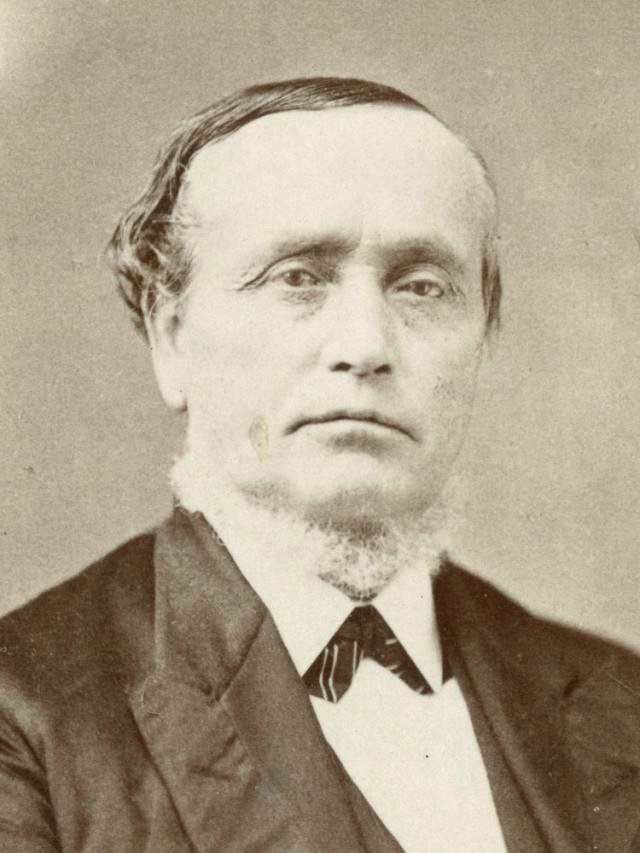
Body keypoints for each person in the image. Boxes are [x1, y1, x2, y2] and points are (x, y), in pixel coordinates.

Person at [1, 77, 639, 853]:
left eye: (423, 286)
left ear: (484, 341)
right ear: (172, 337)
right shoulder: (24, 718)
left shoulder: (622, 701)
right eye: (297, 278)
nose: (365, 346)